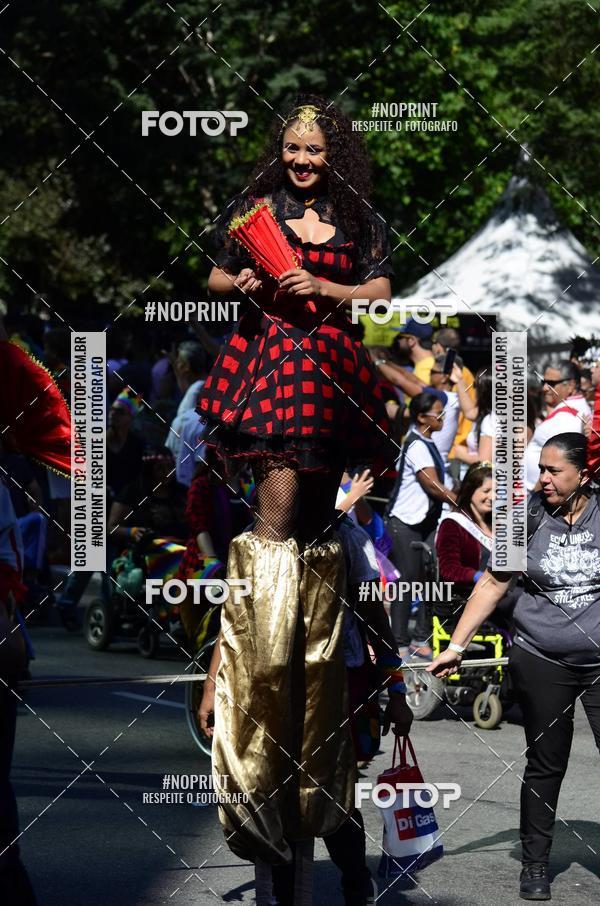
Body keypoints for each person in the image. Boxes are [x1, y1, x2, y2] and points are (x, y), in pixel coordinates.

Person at [196, 94, 408, 904]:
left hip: (334, 371)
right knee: (275, 522)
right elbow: (212, 270)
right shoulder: (259, 205)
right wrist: (244, 275)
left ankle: (336, 854)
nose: (303, 160)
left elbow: (383, 288)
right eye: (292, 147)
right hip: (275, 363)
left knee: (320, 529)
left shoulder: (356, 214)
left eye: (315, 150)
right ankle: (248, 671)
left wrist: (328, 283)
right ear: (280, 149)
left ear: (335, 152)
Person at [428, 433, 600, 901]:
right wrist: (456, 645)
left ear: (583, 473)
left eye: (553, 471)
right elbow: (491, 584)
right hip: (542, 656)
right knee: (547, 764)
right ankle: (535, 864)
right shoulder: (525, 518)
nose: (542, 479)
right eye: (540, 469)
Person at [384, 392, 457, 659]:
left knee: (430, 578)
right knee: (407, 581)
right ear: (421, 417)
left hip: (425, 523)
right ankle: (400, 642)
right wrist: (460, 501)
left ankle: (420, 637)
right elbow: (432, 484)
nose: (442, 416)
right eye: (437, 412)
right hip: (404, 523)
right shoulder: (416, 445)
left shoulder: (429, 443)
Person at [525, 361, 591, 491]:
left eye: (551, 384)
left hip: (536, 494)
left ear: (571, 385)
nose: (544, 388)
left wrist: (532, 498)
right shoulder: (568, 409)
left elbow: (557, 465)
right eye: (544, 382)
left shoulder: (569, 417)